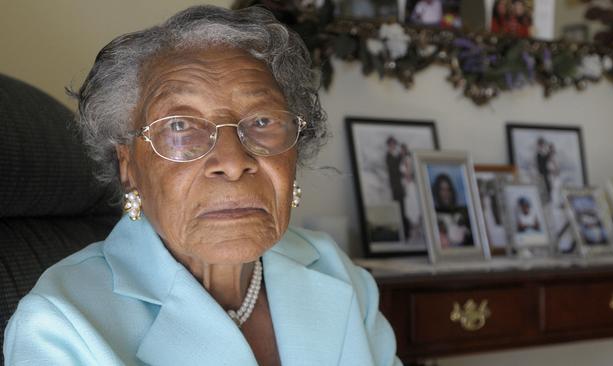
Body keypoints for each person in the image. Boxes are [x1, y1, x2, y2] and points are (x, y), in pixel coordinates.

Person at [3, 6, 401, 366]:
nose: (232, 162)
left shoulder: (338, 272)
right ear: (129, 167)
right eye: (179, 126)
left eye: (262, 121)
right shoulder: (60, 324)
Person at [386, 136, 408, 239]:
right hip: (396, 187)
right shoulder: (389, 157)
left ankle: (405, 231)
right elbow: (394, 169)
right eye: (392, 144)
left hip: (400, 186)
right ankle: (402, 233)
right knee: (399, 209)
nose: (393, 146)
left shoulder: (394, 156)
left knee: (403, 208)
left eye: (394, 144)